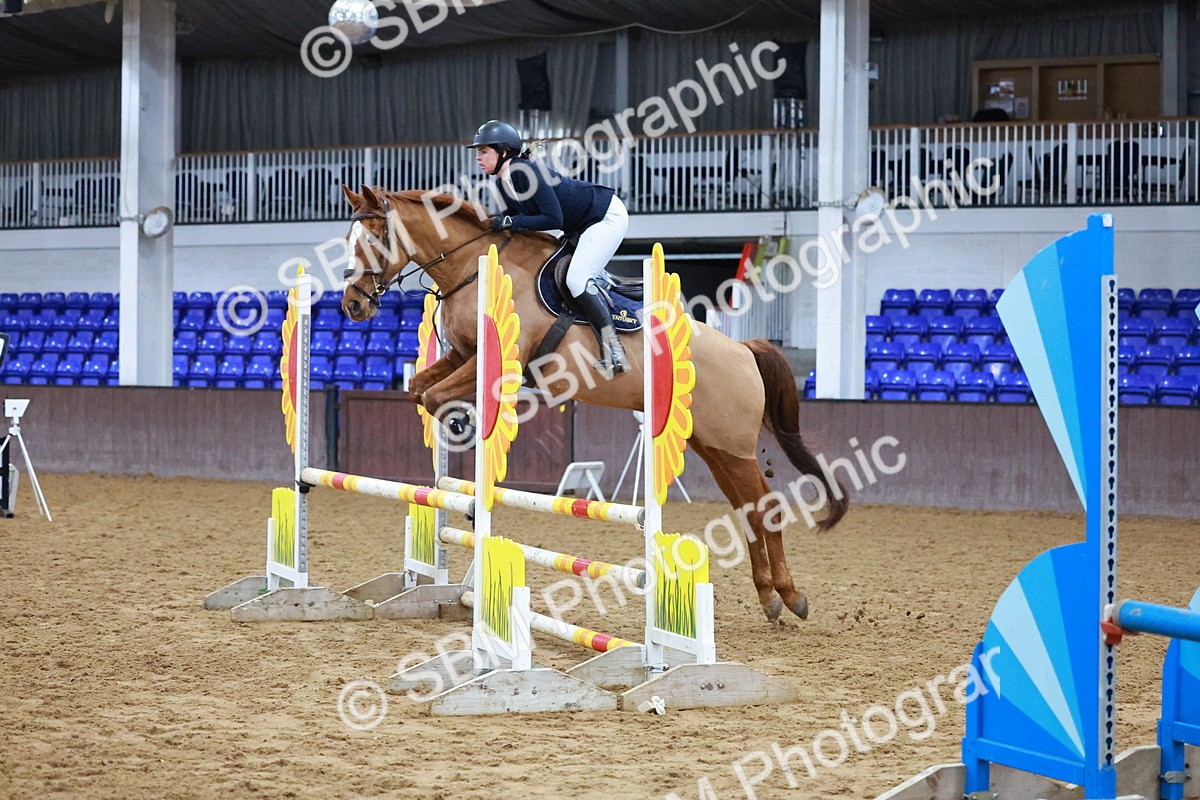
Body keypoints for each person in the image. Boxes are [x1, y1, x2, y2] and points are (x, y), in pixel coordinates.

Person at [468, 119, 630, 377]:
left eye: (483, 151)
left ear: (504, 152)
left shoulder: (524, 172)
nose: (478, 157)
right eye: (478, 152)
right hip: (580, 225)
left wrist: (509, 221)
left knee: (576, 280)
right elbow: (515, 217)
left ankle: (615, 349)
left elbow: (553, 219)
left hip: (605, 216)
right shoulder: (504, 182)